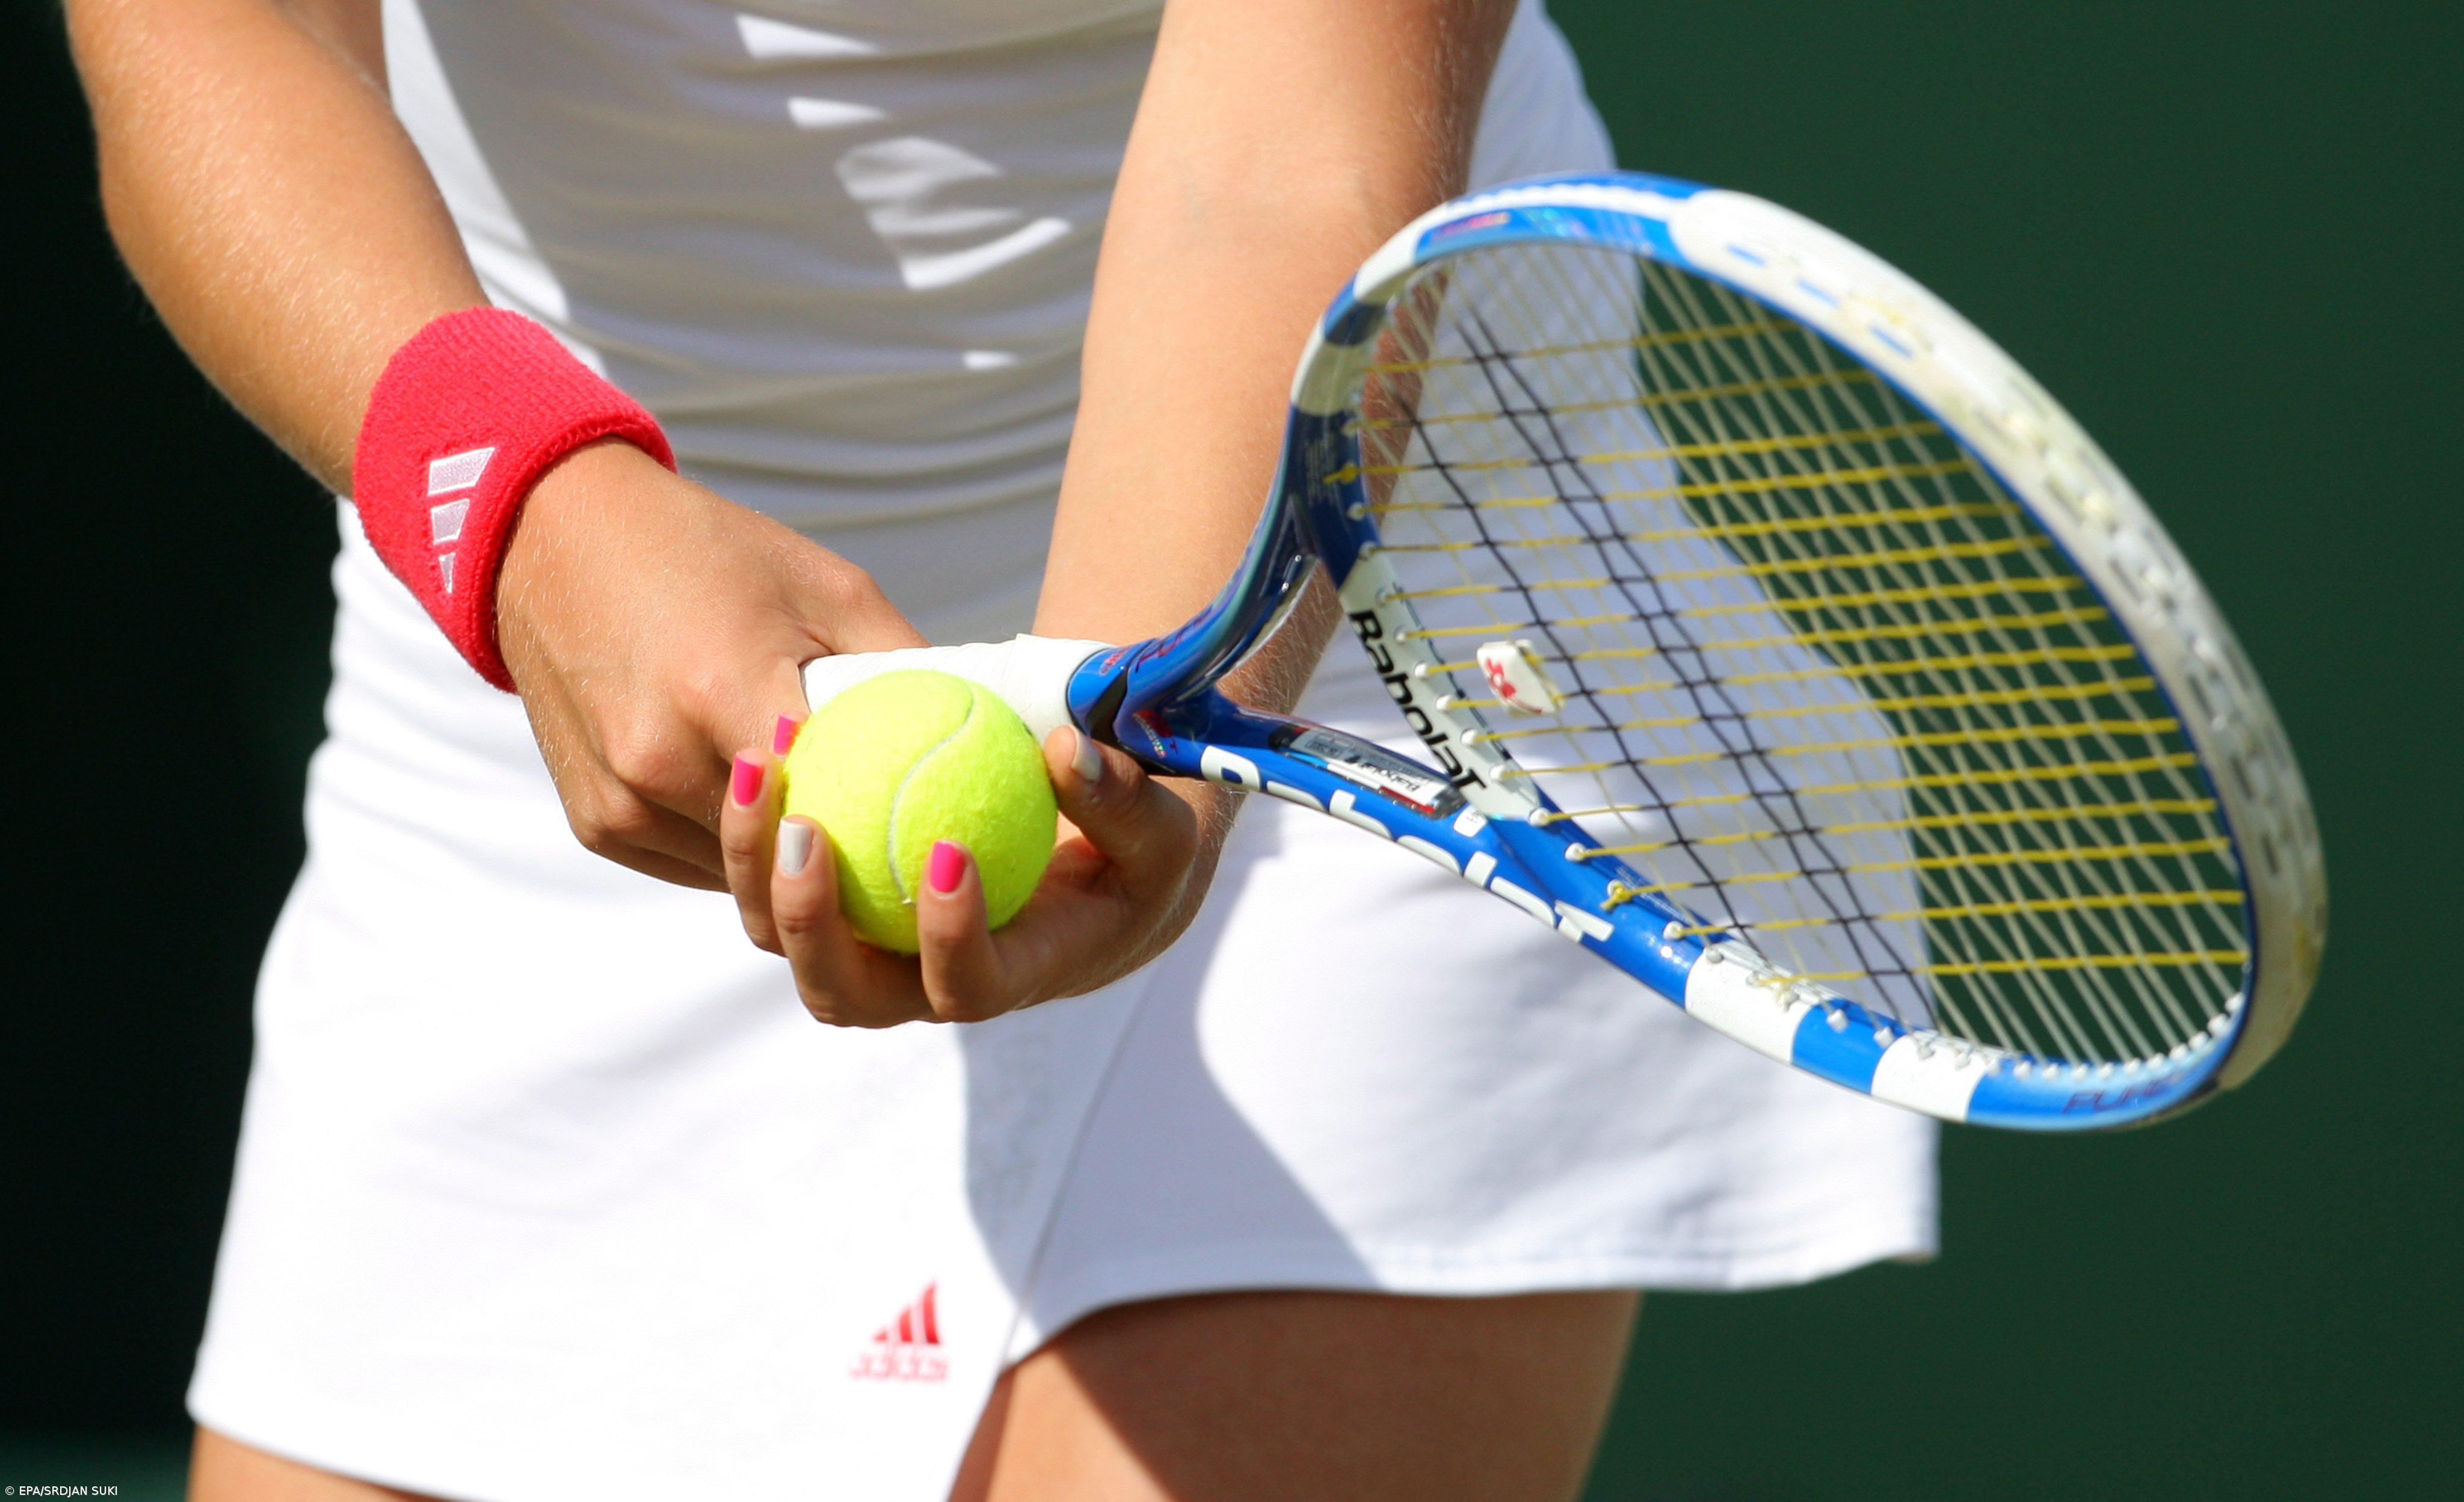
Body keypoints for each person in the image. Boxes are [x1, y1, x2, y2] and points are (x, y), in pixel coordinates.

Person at [68, 0, 1938, 1497]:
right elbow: (209, 33)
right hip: (539, 590)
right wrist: (534, 507)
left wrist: (1140, 724)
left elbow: (1281, 155)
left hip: (1327, 577)